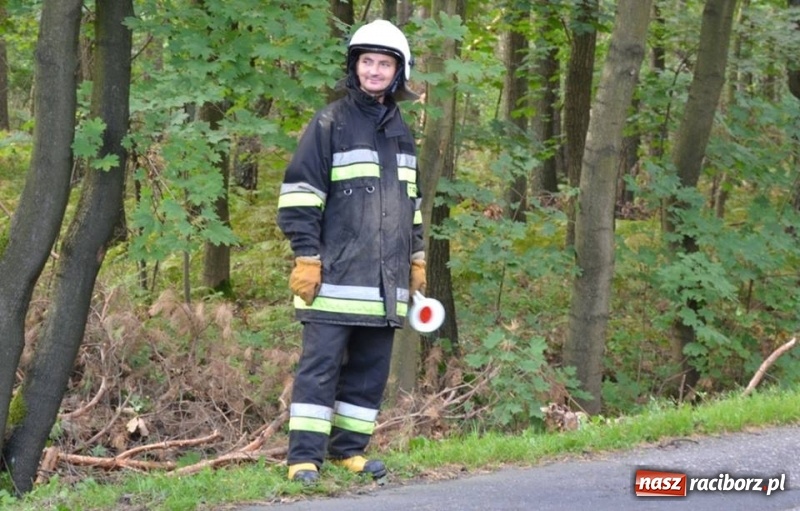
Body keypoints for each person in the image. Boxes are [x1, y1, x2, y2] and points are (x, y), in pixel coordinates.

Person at [276, 19, 426, 484]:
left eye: (384, 64)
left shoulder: (401, 130)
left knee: (369, 372)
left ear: (399, 72)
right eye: (367, 62)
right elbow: (300, 196)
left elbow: (412, 203)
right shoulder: (330, 122)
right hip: (334, 278)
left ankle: (348, 451)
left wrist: (417, 258)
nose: (374, 71)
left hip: (385, 284)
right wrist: (307, 257)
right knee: (319, 369)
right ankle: (304, 459)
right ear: (354, 66)